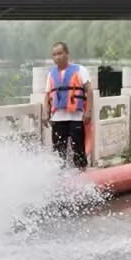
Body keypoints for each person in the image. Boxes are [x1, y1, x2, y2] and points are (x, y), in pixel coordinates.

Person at [42, 42, 94, 170]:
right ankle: (61, 177)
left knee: (78, 149)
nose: (57, 57)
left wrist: (88, 112)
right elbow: (47, 95)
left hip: (76, 117)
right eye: (54, 54)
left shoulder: (80, 70)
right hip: (57, 119)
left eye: (60, 53)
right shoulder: (51, 74)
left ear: (67, 54)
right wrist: (45, 114)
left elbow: (89, 91)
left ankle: (82, 173)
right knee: (59, 151)